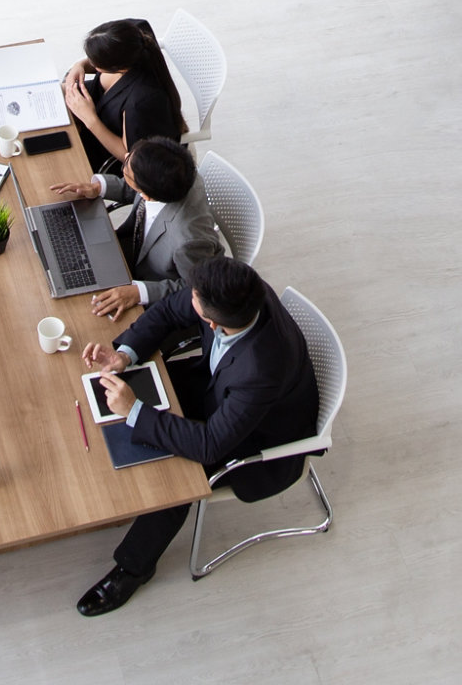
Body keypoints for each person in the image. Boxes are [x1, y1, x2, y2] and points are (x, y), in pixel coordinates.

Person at [74, 257, 319, 616]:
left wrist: (135, 411)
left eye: (195, 302)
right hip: (218, 388)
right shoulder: (235, 287)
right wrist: (124, 354)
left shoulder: (261, 369)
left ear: (213, 322)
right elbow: (169, 312)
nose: (188, 299)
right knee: (143, 391)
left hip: (257, 440)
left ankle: (133, 568)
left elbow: (209, 446)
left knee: (176, 480)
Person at [49, 136, 221, 322]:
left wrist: (139, 292)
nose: (125, 156)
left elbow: (199, 290)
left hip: (154, 290)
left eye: (127, 171)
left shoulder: (189, 241)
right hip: (130, 251)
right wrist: (98, 188)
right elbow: (136, 187)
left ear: (147, 194)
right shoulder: (176, 173)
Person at [61, 18, 188, 173]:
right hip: (92, 111)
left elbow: (130, 157)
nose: (91, 64)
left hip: (103, 150)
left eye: (95, 62)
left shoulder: (141, 102)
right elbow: (93, 61)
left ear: (118, 67)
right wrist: (79, 65)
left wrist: (90, 119)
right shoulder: (137, 34)